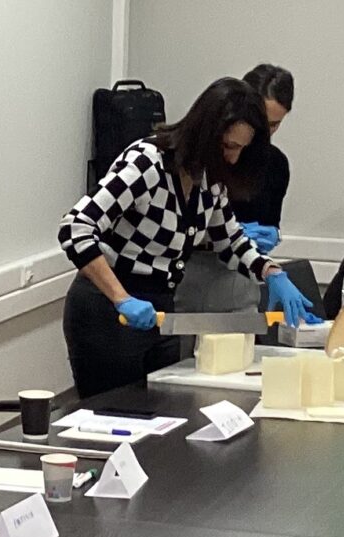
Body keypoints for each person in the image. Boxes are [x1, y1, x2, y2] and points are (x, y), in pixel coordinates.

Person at [58, 75, 321, 399]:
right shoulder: (146, 164)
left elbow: (231, 241)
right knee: (114, 415)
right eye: (229, 146)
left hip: (161, 311)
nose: (233, 158)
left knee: (163, 413)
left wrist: (271, 272)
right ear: (206, 131)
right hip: (107, 311)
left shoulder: (208, 179)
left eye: (241, 149)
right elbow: (75, 227)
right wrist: (120, 297)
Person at [237, 63, 296, 236]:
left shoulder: (276, 163)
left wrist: (270, 234)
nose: (263, 130)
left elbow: (270, 223)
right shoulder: (212, 154)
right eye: (258, 119)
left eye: (273, 124)